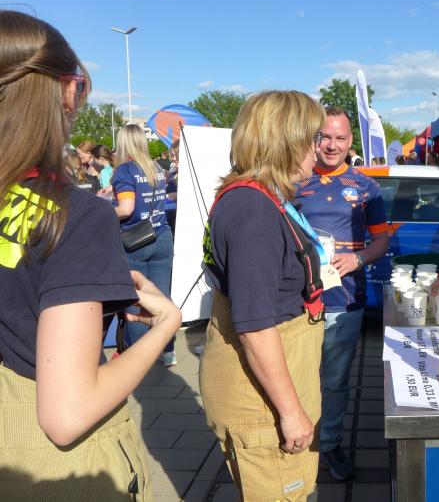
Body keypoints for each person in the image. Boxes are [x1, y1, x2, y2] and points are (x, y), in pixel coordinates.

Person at [0, 9, 181, 501]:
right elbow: (67, 415)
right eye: (81, 88)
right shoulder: (75, 216)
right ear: (64, 92)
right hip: (46, 468)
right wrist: (166, 326)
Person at [199, 90, 326, 501]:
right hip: (261, 406)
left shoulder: (257, 197)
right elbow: (255, 327)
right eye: (313, 138)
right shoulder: (253, 210)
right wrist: (291, 413)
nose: (319, 149)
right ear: (286, 142)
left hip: (271, 384)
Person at [296, 107, 389, 481]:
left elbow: (381, 240)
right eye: (325, 137)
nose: (331, 145)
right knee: (297, 377)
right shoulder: (295, 179)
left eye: (340, 138)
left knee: (334, 382)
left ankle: (330, 444)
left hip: (344, 299)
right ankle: (297, 442)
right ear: (314, 139)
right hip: (295, 300)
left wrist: (358, 258)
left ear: (351, 141)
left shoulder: (366, 187)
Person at [113, 124, 178, 366]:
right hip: (162, 236)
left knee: (136, 299)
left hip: (135, 241)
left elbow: (126, 209)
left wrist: (104, 210)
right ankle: (168, 351)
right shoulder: (156, 168)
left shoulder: (124, 171)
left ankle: (140, 359)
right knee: (161, 296)